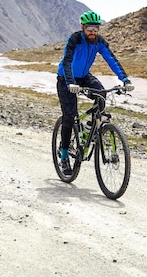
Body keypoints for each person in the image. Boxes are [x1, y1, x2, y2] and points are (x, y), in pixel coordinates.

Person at [56, 11, 134, 175]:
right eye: (90, 28)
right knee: (69, 117)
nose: (93, 32)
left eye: (96, 28)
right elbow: (67, 61)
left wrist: (125, 80)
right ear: (83, 27)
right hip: (66, 79)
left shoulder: (99, 42)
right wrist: (70, 82)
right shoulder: (75, 39)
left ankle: (90, 125)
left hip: (84, 77)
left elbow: (111, 59)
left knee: (101, 93)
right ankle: (63, 156)